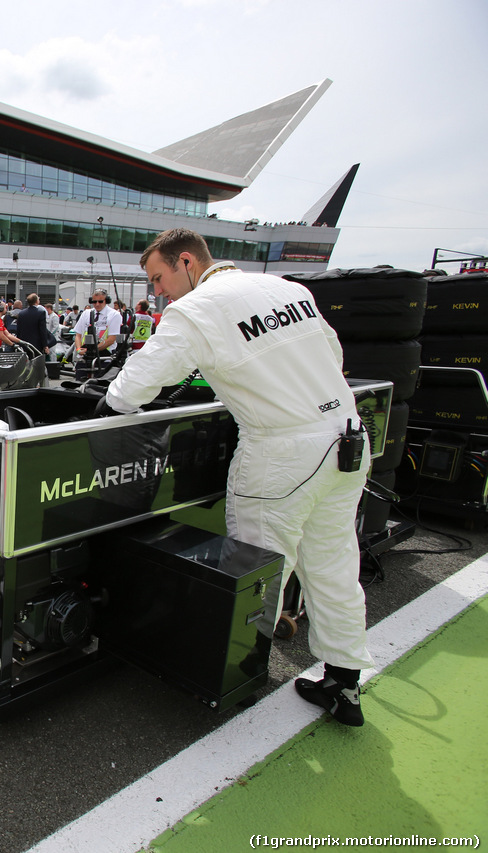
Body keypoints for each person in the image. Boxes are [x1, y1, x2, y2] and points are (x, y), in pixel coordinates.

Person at [101, 227, 371, 727]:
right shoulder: (289, 289)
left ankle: (238, 682)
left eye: (159, 278)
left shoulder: (197, 308)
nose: (157, 291)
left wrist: (109, 400)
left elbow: (139, 382)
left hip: (282, 451)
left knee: (256, 573)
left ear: (187, 262)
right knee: (333, 561)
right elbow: (332, 358)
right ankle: (345, 682)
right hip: (347, 438)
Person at [72, 289, 122, 358]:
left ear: (106, 301)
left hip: (105, 355)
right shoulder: (86, 313)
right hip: (85, 355)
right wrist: (78, 349)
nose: (97, 304)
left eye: (100, 301)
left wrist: (92, 350)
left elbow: (111, 339)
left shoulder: (114, 315)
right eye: (94, 302)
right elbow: (78, 335)